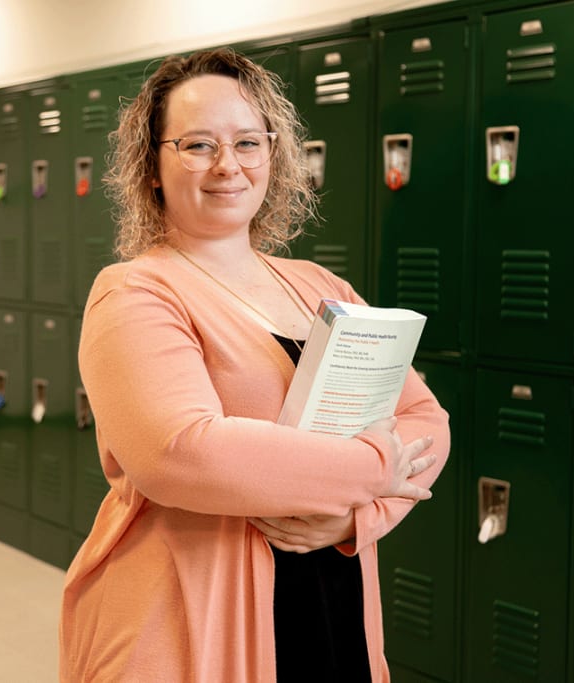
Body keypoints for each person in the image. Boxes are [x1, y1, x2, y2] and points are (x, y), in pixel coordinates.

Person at [59, 47, 451, 682]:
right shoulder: (134, 292)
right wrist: (372, 468)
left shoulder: (319, 286)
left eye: (248, 142)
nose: (227, 166)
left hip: (330, 605)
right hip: (193, 628)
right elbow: (183, 451)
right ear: (152, 166)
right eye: (197, 145)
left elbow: (424, 418)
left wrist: (354, 516)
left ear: (273, 155)